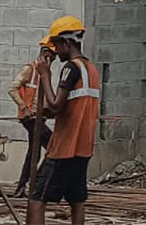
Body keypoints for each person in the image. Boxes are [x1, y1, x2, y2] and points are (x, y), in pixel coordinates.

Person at [27, 15, 100, 225]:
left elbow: (56, 105)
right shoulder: (91, 69)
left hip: (65, 148)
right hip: (83, 147)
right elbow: (72, 106)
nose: (56, 51)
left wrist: (45, 74)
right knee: (76, 200)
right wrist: (45, 112)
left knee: (37, 199)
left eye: (57, 46)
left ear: (67, 43)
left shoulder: (71, 67)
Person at [8, 37, 56, 197]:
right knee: (53, 146)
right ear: (45, 53)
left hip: (39, 118)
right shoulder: (30, 69)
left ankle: (22, 187)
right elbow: (12, 89)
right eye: (52, 55)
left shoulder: (46, 72)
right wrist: (24, 108)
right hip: (30, 119)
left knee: (33, 153)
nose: (54, 59)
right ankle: (36, 184)